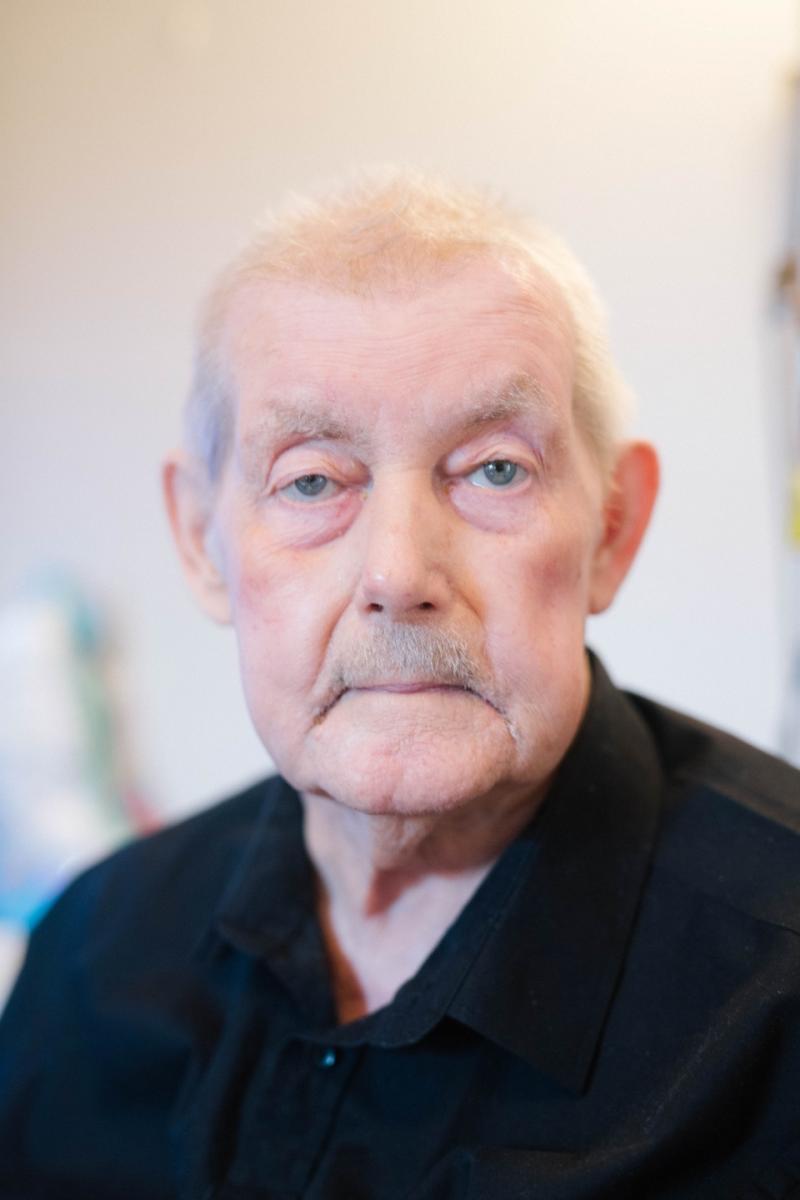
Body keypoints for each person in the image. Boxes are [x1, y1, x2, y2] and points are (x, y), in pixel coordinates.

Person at [1, 170, 799, 1200]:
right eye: (311, 480)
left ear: (611, 528)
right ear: (201, 542)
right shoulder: (89, 958)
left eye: (494, 469)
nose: (397, 573)